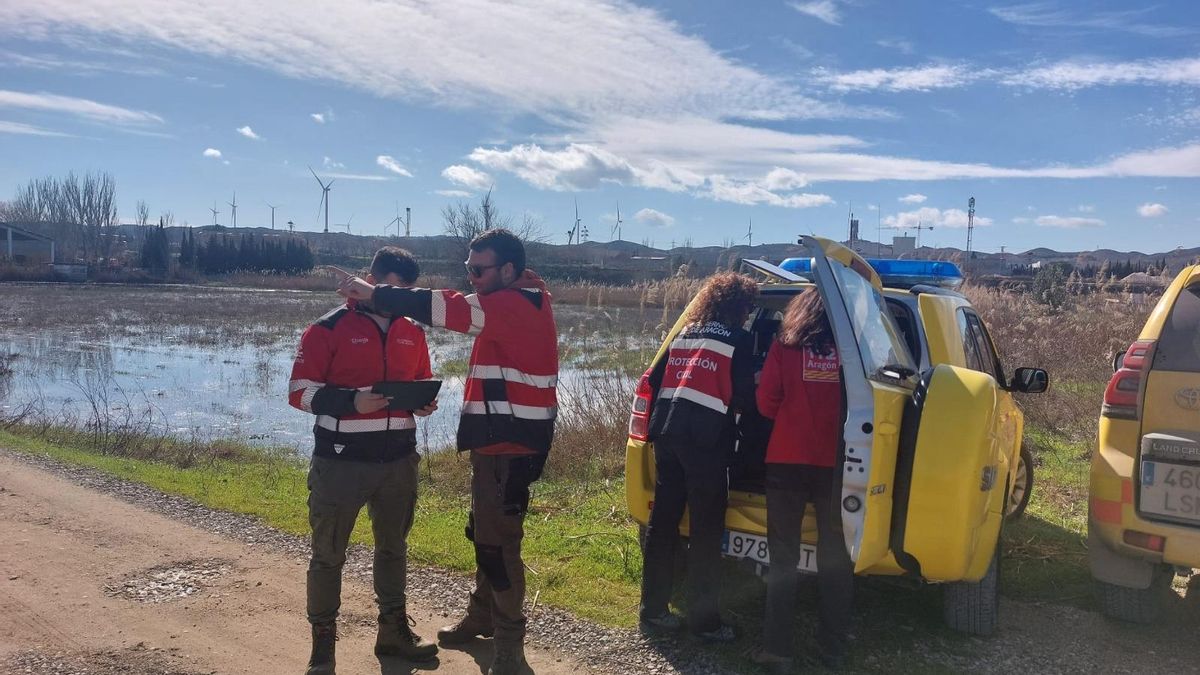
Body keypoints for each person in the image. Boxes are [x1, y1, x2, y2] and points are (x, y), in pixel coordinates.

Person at [335, 228, 558, 675]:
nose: (472, 277)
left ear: (508, 270)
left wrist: (377, 294)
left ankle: (511, 646)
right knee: (484, 531)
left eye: (479, 270)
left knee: (499, 544)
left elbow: (449, 308)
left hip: (511, 445)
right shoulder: (512, 299)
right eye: (467, 270)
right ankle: (482, 617)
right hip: (498, 441)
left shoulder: (518, 303)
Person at [288, 246, 440, 675]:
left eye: (408, 292)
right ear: (370, 280)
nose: (399, 300)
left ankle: (393, 633)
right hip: (340, 464)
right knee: (328, 555)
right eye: (392, 290)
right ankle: (323, 648)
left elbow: (416, 382)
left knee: (393, 549)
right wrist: (352, 401)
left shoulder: (413, 330)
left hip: (399, 462)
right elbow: (299, 392)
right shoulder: (328, 328)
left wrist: (422, 403)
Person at [639, 271, 758, 642]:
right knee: (707, 532)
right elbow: (745, 398)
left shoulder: (685, 333)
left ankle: (653, 610)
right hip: (705, 443)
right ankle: (705, 623)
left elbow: (652, 381)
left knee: (662, 524)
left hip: (667, 435)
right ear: (741, 308)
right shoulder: (740, 339)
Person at [752, 288, 853, 672]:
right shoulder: (852, 352)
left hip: (786, 460)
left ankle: (778, 650)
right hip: (839, 464)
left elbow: (765, 403)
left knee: (783, 558)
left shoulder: (785, 345)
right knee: (835, 556)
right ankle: (833, 647)